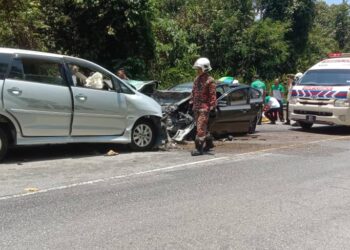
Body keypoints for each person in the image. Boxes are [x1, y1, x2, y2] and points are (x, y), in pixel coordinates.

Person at [190, 57, 217, 156]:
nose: (197, 71)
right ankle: (209, 144)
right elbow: (193, 92)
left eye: (199, 69)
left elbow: (212, 95)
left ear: (204, 69)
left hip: (204, 109)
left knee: (200, 128)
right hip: (196, 108)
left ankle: (199, 148)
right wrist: (191, 101)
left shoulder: (210, 81)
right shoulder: (196, 79)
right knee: (202, 127)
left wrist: (213, 107)